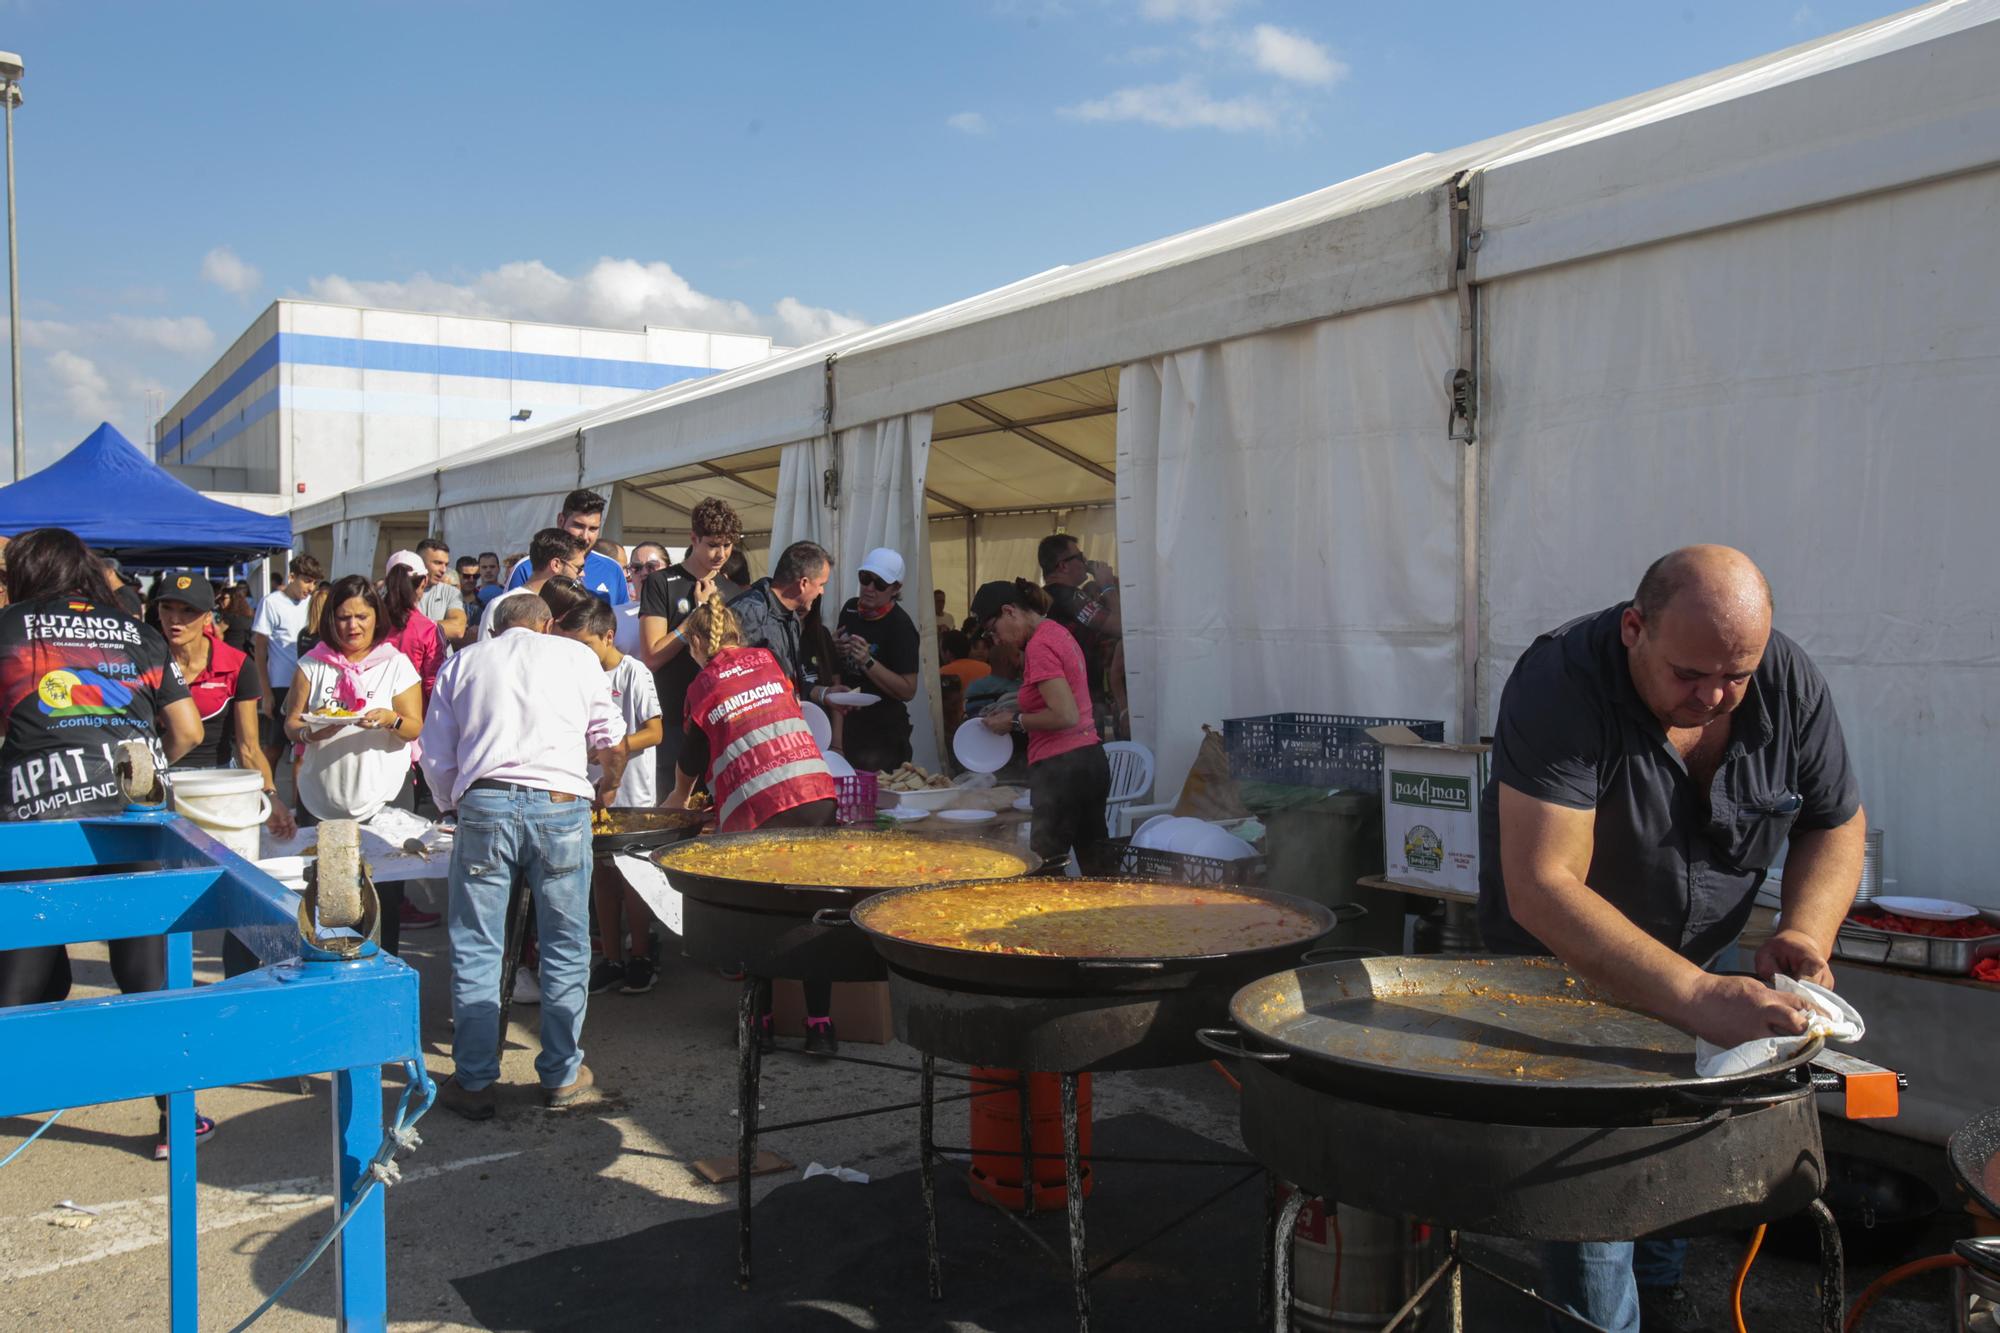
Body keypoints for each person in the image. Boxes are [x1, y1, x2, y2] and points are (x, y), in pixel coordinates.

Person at [1480, 545, 1865, 1333]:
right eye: (1691, 675)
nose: (1717, 696)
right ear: (1634, 628)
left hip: (1709, 956)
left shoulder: (1785, 681)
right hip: (1569, 972)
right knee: (1594, 1180)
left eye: (1737, 675)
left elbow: (1835, 819)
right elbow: (1544, 886)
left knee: (1681, 1153)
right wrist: (1695, 994)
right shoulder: (1562, 683)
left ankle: (1662, 1289)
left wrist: (1804, 928)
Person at [0, 528, 205, 1158]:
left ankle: (13, 1087)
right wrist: (142, 768)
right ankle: (179, 1116)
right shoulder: (136, 632)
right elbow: (189, 731)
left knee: (23, 972)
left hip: (40, 815)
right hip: (135, 817)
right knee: (148, 976)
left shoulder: (8, 629)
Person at [422, 592, 628, 1120]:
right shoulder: (575, 656)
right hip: (561, 807)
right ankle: (560, 1072)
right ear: (546, 624)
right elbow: (611, 738)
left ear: (495, 629)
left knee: (477, 947)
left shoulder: (463, 662)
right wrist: (607, 786)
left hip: (484, 803)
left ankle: (473, 1080)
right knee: (565, 943)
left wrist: (455, 804)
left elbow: (437, 756)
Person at [668, 595, 839, 1052]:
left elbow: (690, 758)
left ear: (701, 642)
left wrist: (676, 804)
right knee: (813, 911)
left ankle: (760, 1024)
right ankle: (820, 1026)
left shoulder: (702, 685)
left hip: (761, 809)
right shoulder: (767, 659)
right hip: (816, 795)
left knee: (758, 917)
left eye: (690, 646)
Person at [283, 575, 426, 955]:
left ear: (376, 618)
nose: (353, 626)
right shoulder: (312, 664)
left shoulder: (395, 664)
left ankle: (382, 969)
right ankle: (332, 973)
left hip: (385, 797)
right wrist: (311, 733)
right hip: (322, 797)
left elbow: (413, 726)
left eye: (361, 616)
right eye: (344, 617)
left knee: (383, 899)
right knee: (327, 894)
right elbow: (292, 723)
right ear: (331, 619)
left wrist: (390, 719)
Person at [556, 598, 666, 996]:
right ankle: (612, 958)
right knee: (602, 874)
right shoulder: (571, 675)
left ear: (608, 636)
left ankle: (641, 955)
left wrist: (613, 747)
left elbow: (655, 732)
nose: (576, 654)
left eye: (584, 645)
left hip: (632, 794)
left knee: (634, 876)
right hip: (587, 792)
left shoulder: (634, 672)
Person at [973, 579, 1110, 871]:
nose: (995, 641)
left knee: (1043, 870)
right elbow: (1062, 698)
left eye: (991, 631)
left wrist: (1014, 721)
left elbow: (1065, 715)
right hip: (1090, 760)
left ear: (1009, 612)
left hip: (1062, 771)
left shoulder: (1039, 646)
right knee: (1098, 868)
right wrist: (1015, 704)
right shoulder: (1056, 631)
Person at [640, 500, 744, 786]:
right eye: (712, 545)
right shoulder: (661, 582)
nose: (720, 554)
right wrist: (697, 616)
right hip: (672, 722)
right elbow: (652, 656)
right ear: (693, 539)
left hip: (718, 721)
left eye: (727, 545)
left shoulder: (733, 591)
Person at [833, 547, 923, 773]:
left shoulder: (900, 626)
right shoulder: (850, 608)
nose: (869, 588)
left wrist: (868, 662)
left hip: (884, 735)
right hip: (849, 727)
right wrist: (834, 648)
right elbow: (836, 666)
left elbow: (908, 690)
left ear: (895, 588)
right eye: (865, 579)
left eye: (880, 584)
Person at [729, 540, 835, 705]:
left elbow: (791, 681)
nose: (822, 591)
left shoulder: (792, 618)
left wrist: (823, 693)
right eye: (821, 585)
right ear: (804, 583)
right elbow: (726, 682)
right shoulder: (747, 612)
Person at [1038, 533, 1123, 739]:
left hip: (1063, 698)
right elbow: (1121, 627)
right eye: (1080, 557)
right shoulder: (1069, 596)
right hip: (1082, 700)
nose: (1085, 562)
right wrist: (1108, 586)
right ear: (1063, 566)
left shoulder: (1046, 597)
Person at [253, 555, 324, 762]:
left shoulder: (313, 604)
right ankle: (267, 790)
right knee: (275, 747)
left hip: (309, 684)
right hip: (281, 685)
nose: (311, 587)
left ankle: (297, 796)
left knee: (304, 750)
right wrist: (266, 693)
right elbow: (260, 651)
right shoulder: (271, 602)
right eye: (307, 580)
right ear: (292, 576)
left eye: (314, 582)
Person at [503, 488, 629, 604]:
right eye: (578, 526)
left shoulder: (613, 570)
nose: (585, 536)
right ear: (561, 521)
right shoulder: (525, 568)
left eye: (593, 529)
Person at [480, 528, 586, 640]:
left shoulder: (570, 605)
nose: (582, 574)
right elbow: (485, 654)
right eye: (578, 568)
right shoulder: (499, 606)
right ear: (556, 565)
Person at [615, 541, 669, 659]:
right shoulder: (613, 614)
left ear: (669, 569)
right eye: (636, 568)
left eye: (652, 566)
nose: (644, 573)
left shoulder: (676, 609)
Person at [412, 538, 469, 647]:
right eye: (437, 563)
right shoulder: (396, 591)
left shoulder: (451, 592)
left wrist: (411, 629)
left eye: (446, 564)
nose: (443, 569)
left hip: (441, 662)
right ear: (419, 562)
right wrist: (439, 627)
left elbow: (458, 628)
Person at [217, 584, 256, 655]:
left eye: (223, 598)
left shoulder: (229, 617)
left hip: (230, 652)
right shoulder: (249, 615)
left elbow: (216, 632)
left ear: (233, 599)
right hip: (245, 653)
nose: (220, 601)